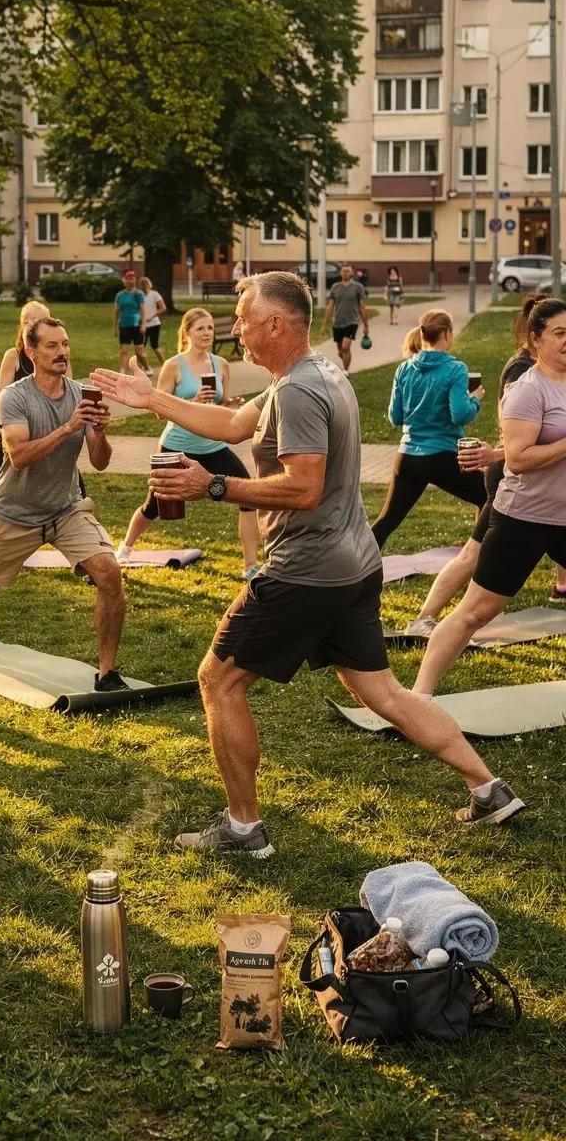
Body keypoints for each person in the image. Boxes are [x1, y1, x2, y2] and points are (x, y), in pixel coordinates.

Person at [90, 271, 523, 852]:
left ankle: (242, 827)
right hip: (354, 565)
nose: (234, 328)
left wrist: (211, 485)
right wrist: (152, 400)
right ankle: (488, 787)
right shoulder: (311, 373)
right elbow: (234, 423)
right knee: (385, 693)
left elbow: (302, 488)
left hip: (307, 568)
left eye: (243, 317)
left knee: (218, 680)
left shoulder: (296, 390)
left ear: (275, 323)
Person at [0, 316, 128, 690]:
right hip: (15, 512)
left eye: (65, 344)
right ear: (30, 351)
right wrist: (69, 427)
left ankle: (106, 673)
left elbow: (100, 462)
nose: (62, 353)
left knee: (108, 571)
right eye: (52, 346)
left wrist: (100, 432)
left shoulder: (81, 394)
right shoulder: (15, 397)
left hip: (66, 509)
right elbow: (19, 455)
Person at [414, 296, 566, 702]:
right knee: (476, 612)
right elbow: (518, 458)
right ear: (535, 340)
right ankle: (420, 696)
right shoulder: (526, 389)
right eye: (560, 333)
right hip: (525, 519)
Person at [115, 308, 261, 579]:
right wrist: (191, 404)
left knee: (248, 494)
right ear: (187, 333)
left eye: (209, 328)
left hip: (212, 444)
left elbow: (221, 404)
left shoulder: (221, 364)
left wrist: (232, 405)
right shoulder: (174, 365)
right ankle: (124, 549)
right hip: (177, 445)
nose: (207, 333)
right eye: (200, 329)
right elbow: (159, 409)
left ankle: (250, 565)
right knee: (154, 506)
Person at [370, 310, 486, 551]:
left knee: (387, 521)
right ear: (446, 333)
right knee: (490, 496)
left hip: (408, 458)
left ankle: (355, 570)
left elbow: (395, 417)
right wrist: (474, 398)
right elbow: (461, 414)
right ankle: (477, 559)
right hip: (443, 455)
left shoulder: (404, 369)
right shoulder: (455, 369)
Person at [0, 300, 53, 565]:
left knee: (75, 494)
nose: (38, 327)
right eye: (32, 322)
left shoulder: (57, 355)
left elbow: (67, 393)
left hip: (48, 439)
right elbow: (3, 399)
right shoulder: (13, 357)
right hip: (15, 440)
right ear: (23, 326)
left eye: (44, 321)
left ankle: (84, 552)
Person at [323, 263, 369, 372]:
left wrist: (366, 325)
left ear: (352, 272)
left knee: (345, 347)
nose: (345, 273)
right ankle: (344, 365)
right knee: (340, 350)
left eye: (347, 271)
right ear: (340, 272)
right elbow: (330, 306)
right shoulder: (335, 287)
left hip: (352, 321)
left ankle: (346, 371)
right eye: (343, 271)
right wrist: (325, 324)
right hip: (338, 322)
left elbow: (362, 307)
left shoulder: (358, 287)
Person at [113, 270, 149, 374]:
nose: (130, 281)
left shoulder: (139, 294)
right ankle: (122, 371)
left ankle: (146, 367)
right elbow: (116, 312)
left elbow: (143, 310)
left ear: (135, 280)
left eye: (132, 279)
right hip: (124, 325)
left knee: (139, 352)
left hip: (136, 325)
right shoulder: (120, 295)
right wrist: (115, 328)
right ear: (125, 281)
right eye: (128, 279)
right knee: (124, 351)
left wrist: (143, 325)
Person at [141, 276, 167, 366]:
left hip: (154, 324)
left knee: (154, 345)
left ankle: (164, 365)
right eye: (142, 284)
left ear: (149, 284)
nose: (144, 286)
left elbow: (163, 308)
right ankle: (144, 367)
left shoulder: (154, 294)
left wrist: (152, 316)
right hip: (143, 325)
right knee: (141, 347)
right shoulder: (140, 296)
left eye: (146, 284)